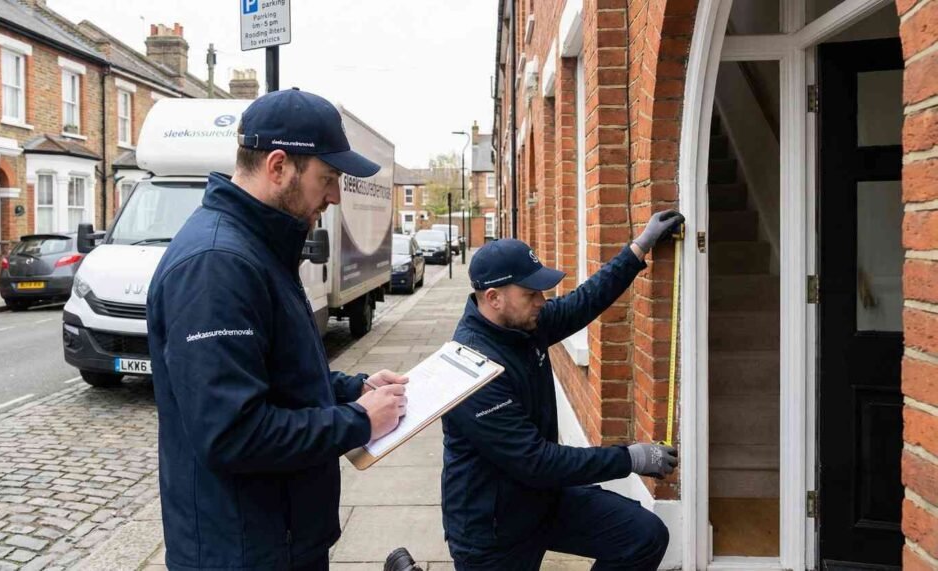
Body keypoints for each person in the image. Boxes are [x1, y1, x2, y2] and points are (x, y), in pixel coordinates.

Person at [147, 88, 409, 571]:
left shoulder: (260, 246)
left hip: (277, 539)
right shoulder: (217, 265)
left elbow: (278, 375)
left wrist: (357, 390)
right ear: (278, 166)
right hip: (245, 550)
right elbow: (233, 433)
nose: (333, 197)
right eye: (327, 179)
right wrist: (357, 421)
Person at [440, 211, 684, 570]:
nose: (542, 300)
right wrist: (629, 458)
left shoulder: (524, 324)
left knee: (643, 536)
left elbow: (584, 300)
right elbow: (537, 461)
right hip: (492, 527)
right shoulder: (470, 369)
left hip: (541, 499)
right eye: (531, 293)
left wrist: (638, 249)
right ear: (494, 298)